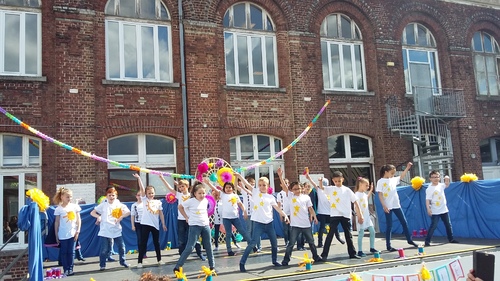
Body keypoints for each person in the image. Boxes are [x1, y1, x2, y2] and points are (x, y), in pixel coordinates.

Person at [236, 173, 290, 272]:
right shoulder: (256, 192)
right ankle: (242, 262)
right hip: (258, 224)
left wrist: (284, 215)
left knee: (274, 243)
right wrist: (239, 176)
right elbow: (246, 183)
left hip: (269, 224)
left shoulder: (270, 197)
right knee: (252, 243)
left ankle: (274, 260)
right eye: (260, 185)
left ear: (268, 186)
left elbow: (277, 208)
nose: (262, 187)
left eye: (264, 185)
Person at [277, 175, 322, 266]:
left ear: (302, 188)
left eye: (299, 188)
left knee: (311, 242)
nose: (297, 190)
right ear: (292, 190)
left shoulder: (306, 197)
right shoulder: (291, 196)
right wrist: (280, 176)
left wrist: (315, 217)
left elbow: (310, 208)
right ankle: (286, 260)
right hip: (295, 225)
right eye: (295, 189)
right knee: (291, 243)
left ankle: (315, 256)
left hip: (306, 224)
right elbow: (285, 187)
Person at [318, 171, 363, 260]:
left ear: (343, 179)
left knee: (348, 235)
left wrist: (360, 214)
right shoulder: (331, 189)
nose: (337, 183)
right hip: (335, 214)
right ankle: (324, 254)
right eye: (336, 181)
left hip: (345, 215)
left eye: (339, 181)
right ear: (333, 181)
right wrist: (320, 181)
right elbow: (322, 187)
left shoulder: (347, 190)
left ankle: (352, 253)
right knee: (330, 234)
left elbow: (355, 202)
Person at [173, 181, 215, 274]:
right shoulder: (190, 201)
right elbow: (180, 207)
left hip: (205, 225)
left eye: (203, 193)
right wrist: (186, 217)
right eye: (199, 193)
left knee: (208, 246)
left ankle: (212, 266)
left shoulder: (206, 200)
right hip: (194, 226)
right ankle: (177, 266)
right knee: (190, 247)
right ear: (195, 193)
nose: (202, 195)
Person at [159, 175, 205, 260]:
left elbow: (198, 188)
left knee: (194, 237)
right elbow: (169, 188)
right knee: (181, 239)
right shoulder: (179, 195)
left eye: (183, 186)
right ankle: (182, 255)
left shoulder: (192, 195)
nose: (181, 188)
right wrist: (162, 179)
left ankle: (199, 253)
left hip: (192, 219)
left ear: (187, 186)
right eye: (179, 187)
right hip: (181, 219)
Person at [377, 162, 419, 251]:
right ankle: (388, 245)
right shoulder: (380, 181)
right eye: (392, 173)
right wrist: (384, 205)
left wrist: (407, 168)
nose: (393, 175)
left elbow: (401, 176)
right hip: (388, 206)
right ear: (386, 171)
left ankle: (409, 240)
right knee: (389, 225)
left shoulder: (393, 179)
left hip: (396, 204)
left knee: (404, 222)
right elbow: (380, 194)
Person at [90, 187, 130, 271]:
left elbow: (128, 212)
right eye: (109, 195)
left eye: (113, 195)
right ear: (106, 196)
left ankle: (122, 261)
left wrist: (121, 217)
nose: (111, 197)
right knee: (104, 249)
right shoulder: (104, 205)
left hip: (116, 229)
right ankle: (102, 264)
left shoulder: (119, 204)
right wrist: (99, 217)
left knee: (121, 247)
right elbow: (92, 212)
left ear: (116, 196)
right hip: (105, 230)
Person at [133, 173, 167, 268]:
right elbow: (142, 189)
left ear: (154, 193)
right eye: (149, 193)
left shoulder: (158, 202)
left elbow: (161, 213)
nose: (151, 195)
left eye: (152, 193)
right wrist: (139, 178)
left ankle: (159, 260)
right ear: (146, 194)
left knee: (157, 243)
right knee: (143, 242)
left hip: (155, 225)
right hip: (145, 224)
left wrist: (163, 224)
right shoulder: (144, 200)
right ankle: (140, 262)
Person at [305, 175, 345, 248]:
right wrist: (308, 177)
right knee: (322, 227)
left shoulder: (330, 190)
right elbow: (313, 183)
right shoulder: (319, 190)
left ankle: (338, 238)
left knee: (334, 227)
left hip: (331, 212)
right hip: (322, 212)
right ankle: (320, 242)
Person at [424, 171, 458, 246]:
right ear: (430, 179)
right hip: (435, 210)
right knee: (433, 225)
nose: (435, 179)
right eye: (433, 177)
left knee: (448, 224)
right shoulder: (429, 188)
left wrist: (447, 179)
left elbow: (447, 185)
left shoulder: (441, 185)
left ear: (439, 178)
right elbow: (427, 199)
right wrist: (428, 208)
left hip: (444, 209)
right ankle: (427, 241)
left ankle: (451, 238)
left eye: (437, 177)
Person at [53, 187, 81, 276]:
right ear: (62, 197)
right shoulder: (58, 209)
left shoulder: (74, 207)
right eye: (67, 197)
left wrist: (78, 231)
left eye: (70, 197)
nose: (69, 199)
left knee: (71, 251)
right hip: (62, 233)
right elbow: (57, 222)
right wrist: (56, 235)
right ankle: (66, 269)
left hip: (72, 233)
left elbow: (78, 219)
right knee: (64, 252)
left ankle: (71, 268)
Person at [354, 177, 378, 257]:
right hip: (361, 217)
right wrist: (359, 216)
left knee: (372, 231)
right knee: (361, 233)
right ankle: (360, 250)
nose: (367, 187)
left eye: (368, 186)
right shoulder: (356, 194)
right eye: (366, 185)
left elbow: (366, 198)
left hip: (367, 217)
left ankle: (372, 247)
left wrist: (371, 190)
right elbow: (356, 206)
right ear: (360, 185)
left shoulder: (363, 194)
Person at [237, 176, 262, 252]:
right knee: (249, 229)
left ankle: (258, 246)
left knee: (256, 230)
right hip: (248, 213)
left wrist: (244, 187)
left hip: (256, 213)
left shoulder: (256, 191)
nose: (252, 185)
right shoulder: (244, 191)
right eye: (250, 183)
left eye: (253, 184)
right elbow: (235, 187)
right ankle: (250, 245)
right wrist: (237, 179)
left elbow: (251, 193)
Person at [130, 191, 145, 257]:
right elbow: (132, 215)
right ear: (136, 196)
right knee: (139, 239)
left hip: (145, 223)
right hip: (138, 223)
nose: (140, 197)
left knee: (144, 239)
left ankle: (144, 253)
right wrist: (133, 225)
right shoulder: (134, 205)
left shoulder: (145, 204)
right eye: (138, 195)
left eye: (141, 195)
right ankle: (141, 253)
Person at [277, 177, 291, 248]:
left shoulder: (290, 193)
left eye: (287, 183)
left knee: (291, 228)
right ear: (281, 185)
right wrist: (280, 214)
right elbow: (279, 205)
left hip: (291, 214)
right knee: (285, 229)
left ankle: (292, 241)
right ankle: (286, 241)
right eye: (284, 183)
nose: (286, 184)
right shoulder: (279, 194)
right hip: (284, 213)